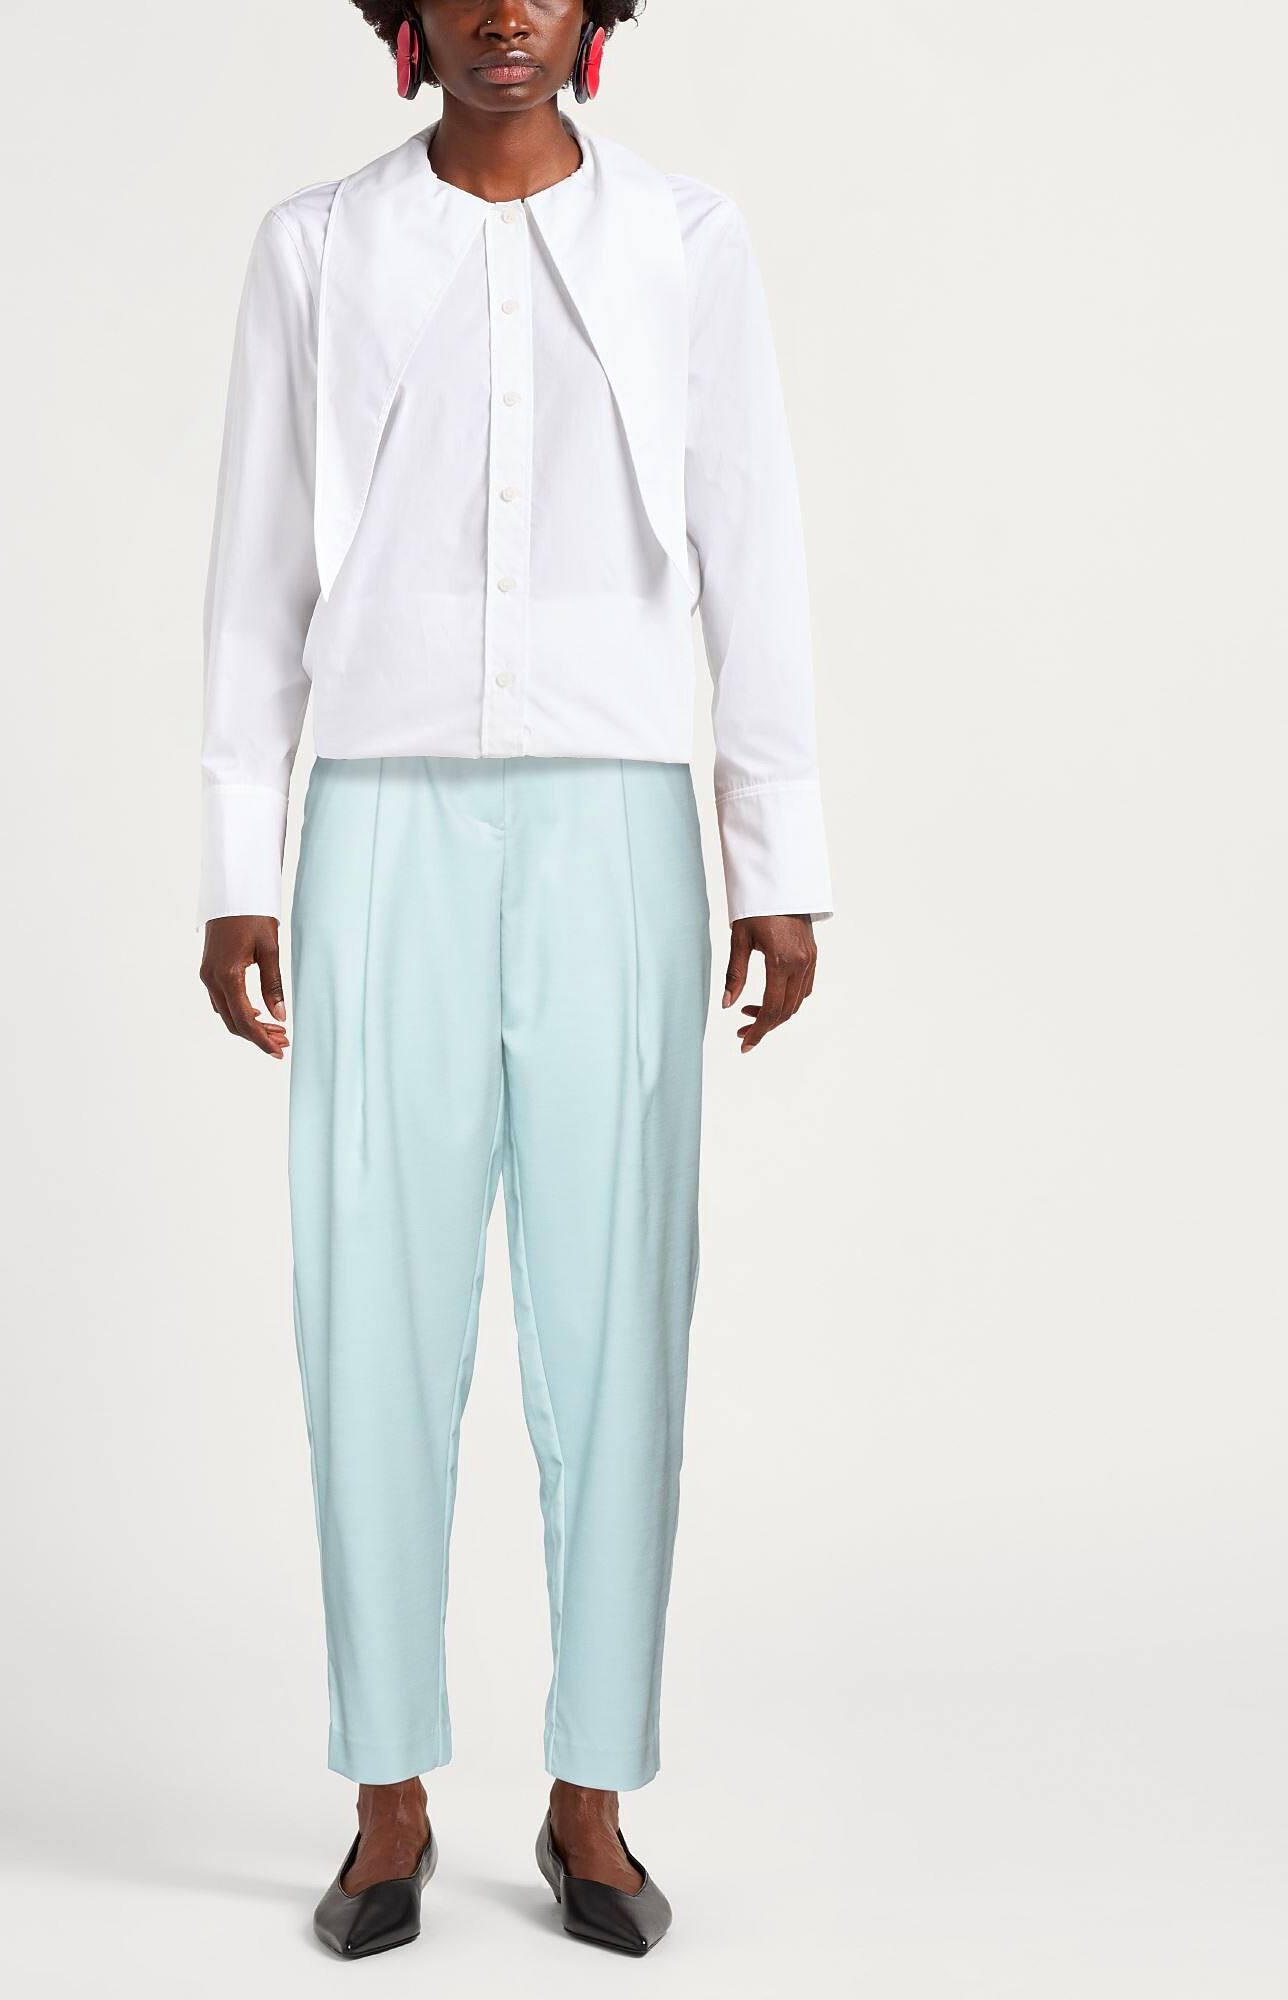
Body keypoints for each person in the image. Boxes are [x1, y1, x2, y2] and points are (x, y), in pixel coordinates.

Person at [197, 0, 832, 1959]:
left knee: (619, 1305)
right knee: (366, 1304)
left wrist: (776, 857)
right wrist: (238, 863)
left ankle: (593, 1796)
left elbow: (751, 544)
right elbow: (256, 570)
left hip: (617, 821)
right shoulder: (316, 249)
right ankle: (386, 1796)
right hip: (379, 817)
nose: (504, 12)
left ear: (595, 10)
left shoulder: (687, 243)